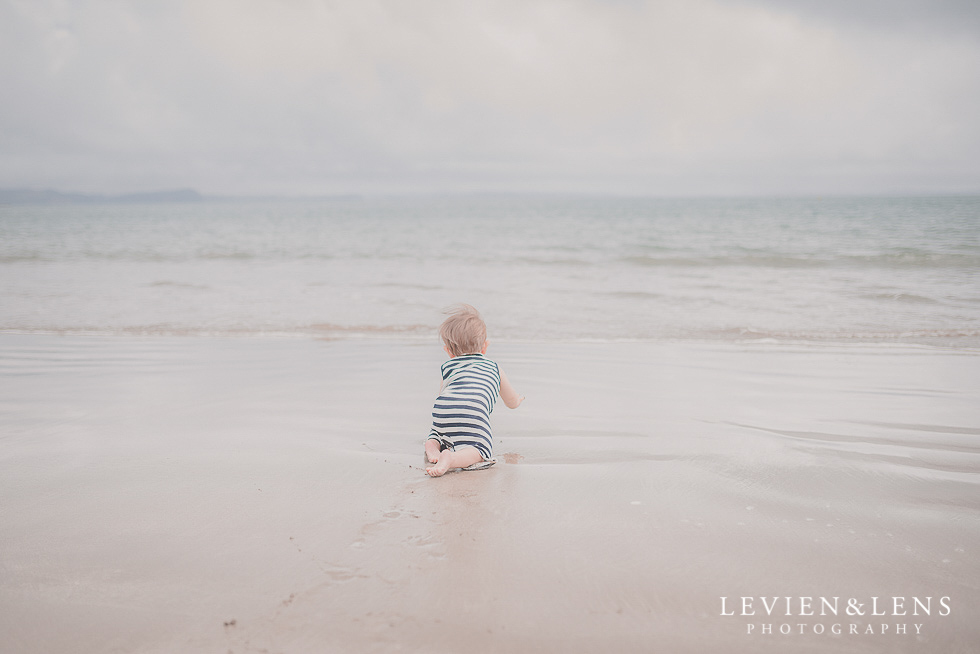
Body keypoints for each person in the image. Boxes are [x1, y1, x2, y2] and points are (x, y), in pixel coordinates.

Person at [424, 304, 524, 477]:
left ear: (448, 351)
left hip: (443, 410)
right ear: (485, 347)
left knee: (439, 431)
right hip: (472, 411)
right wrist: (518, 399)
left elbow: (443, 394)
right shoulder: (494, 367)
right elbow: (511, 402)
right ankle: (451, 459)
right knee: (480, 449)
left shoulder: (447, 367)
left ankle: (433, 446)